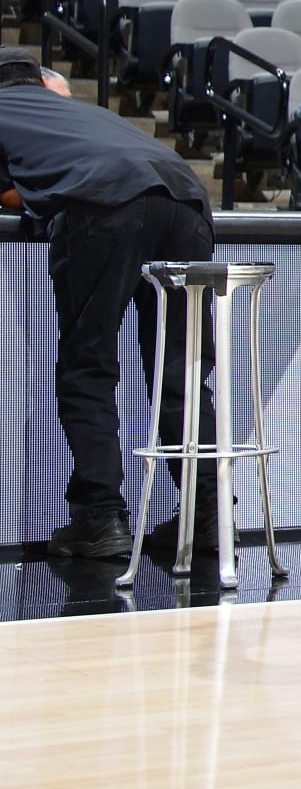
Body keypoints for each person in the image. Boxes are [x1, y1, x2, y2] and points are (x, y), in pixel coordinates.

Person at [0, 47, 218, 559]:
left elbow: (14, 194)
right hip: (187, 198)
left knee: (88, 365)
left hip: (107, 203)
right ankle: (207, 516)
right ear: (39, 82)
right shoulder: (82, 113)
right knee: (182, 373)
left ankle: (100, 518)